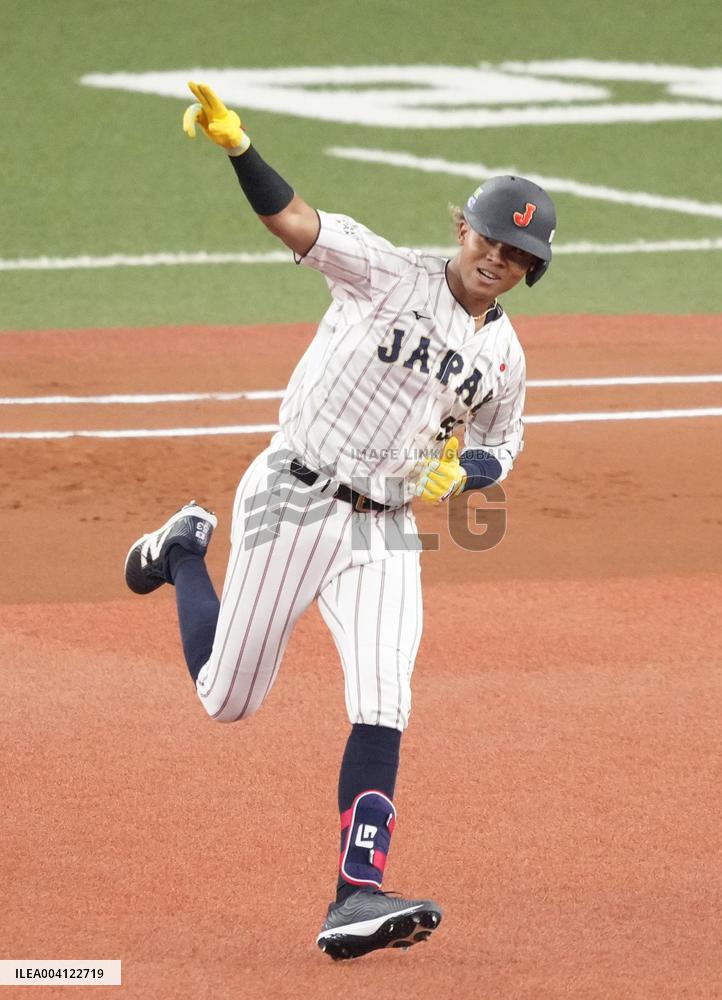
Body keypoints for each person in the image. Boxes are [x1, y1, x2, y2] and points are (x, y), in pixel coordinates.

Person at [124, 81, 556, 961]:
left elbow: (503, 440)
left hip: (386, 530)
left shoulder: (504, 356)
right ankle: (180, 553)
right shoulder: (381, 269)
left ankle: (354, 893)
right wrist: (241, 150)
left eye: (517, 254)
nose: (498, 259)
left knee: (385, 699)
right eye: (490, 239)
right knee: (227, 701)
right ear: (461, 230)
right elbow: (294, 220)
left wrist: (474, 467)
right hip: (293, 494)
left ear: (528, 268)